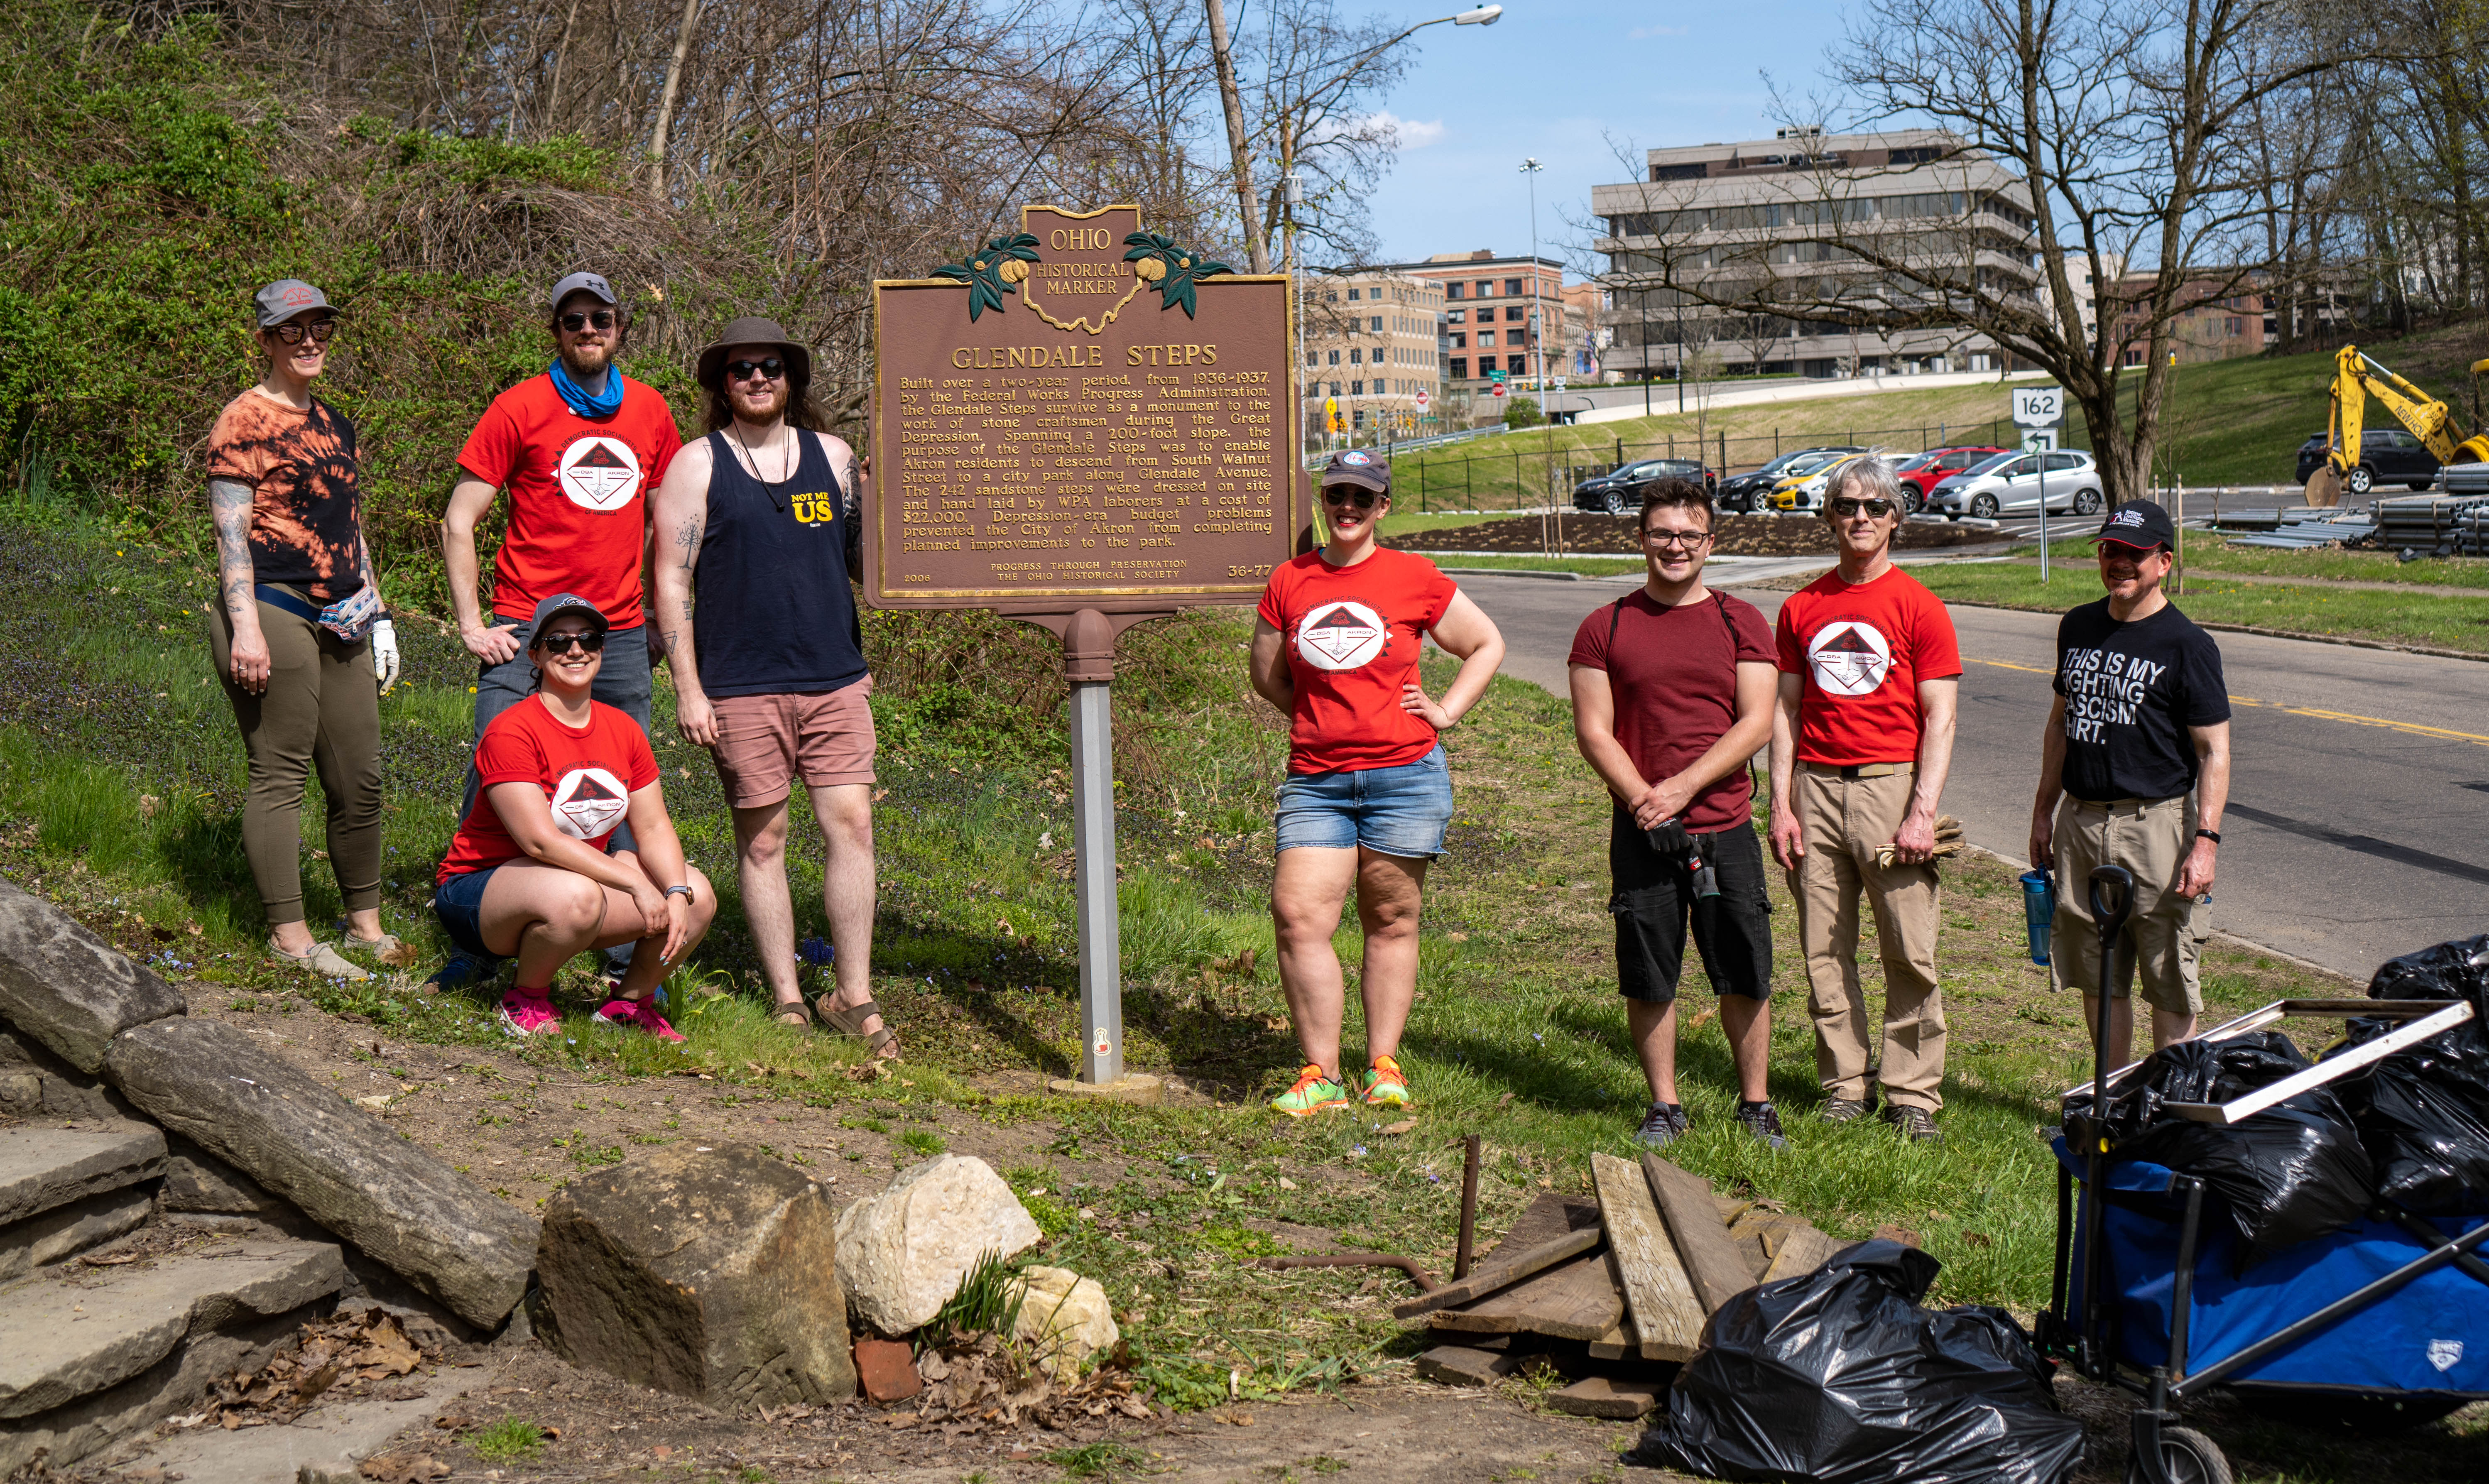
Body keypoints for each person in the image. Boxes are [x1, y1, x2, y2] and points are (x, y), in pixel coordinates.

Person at [650, 316, 896, 1058]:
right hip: (739, 684)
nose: (757, 379)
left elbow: (869, 565)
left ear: (792, 379)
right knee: (764, 841)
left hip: (834, 679)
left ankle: (852, 994)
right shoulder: (697, 465)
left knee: (851, 825)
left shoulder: (835, 457)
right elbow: (670, 578)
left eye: (770, 368)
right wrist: (688, 688)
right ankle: (788, 995)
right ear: (721, 385)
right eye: (741, 369)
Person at [438, 271, 683, 989]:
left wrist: (664, 622)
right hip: (524, 627)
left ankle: (628, 948)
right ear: (555, 329)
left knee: (624, 786)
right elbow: (459, 519)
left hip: (619, 633)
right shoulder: (519, 406)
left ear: (618, 324)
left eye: (598, 317)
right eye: (571, 319)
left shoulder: (649, 411)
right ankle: (477, 943)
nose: (586, 329)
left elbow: (671, 528)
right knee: (497, 779)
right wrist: (471, 622)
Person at [1250, 451, 1506, 1115]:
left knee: (1391, 918)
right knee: (1299, 915)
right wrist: (1320, 717)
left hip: (1405, 775)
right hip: (1317, 779)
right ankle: (1321, 1074)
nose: (1348, 508)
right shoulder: (1289, 580)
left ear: (1382, 507)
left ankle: (1383, 1066)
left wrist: (1446, 711)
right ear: (1322, 499)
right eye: (1337, 494)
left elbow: (1485, 643)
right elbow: (1269, 675)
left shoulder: (1413, 576)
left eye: (1362, 499)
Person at [1569, 480, 1783, 1149]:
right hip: (1641, 831)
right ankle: (1664, 1104)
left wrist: (1681, 788)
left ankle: (1755, 1103)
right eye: (1661, 533)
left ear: (1709, 544)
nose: (1675, 546)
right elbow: (1594, 731)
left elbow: (1755, 724)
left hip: (1724, 825)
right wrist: (1644, 800)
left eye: (1689, 535)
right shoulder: (1604, 626)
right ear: (1641, 539)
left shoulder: (1740, 620)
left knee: (1744, 967)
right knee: (1649, 969)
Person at [205, 279, 403, 981]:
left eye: (320, 327)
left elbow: (349, 524)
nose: (310, 340)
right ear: (265, 339)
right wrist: (245, 629)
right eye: (292, 330)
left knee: (361, 775)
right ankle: (289, 936)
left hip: (344, 612)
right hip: (272, 607)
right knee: (281, 769)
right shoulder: (243, 420)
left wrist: (377, 609)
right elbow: (231, 537)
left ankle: (364, 925)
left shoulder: (336, 423)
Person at [1767, 455, 1960, 1144]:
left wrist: (1918, 808)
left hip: (1888, 786)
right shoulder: (1801, 607)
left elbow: (1939, 717)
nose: (1859, 517)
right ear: (1828, 516)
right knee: (1823, 948)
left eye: (1874, 508)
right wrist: (1780, 803)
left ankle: (1911, 1091)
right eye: (1846, 505)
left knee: (1907, 947)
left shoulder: (1918, 605)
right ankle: (1845, 1085)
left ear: (1893, 519)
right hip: (1813, 787)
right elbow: (1784, 711)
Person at [433, 594, 715, 1041]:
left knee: (697, 892)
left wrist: (675, 892)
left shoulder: (623, 729)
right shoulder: (512, 729)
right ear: (536, 653)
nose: (576, 650)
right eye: (558, 642)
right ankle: (526, 999)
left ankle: (629, 1002)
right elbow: (539, 842)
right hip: (480, 891)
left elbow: (655, 826)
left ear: (603, 648)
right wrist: (637, 885)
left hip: (569, 886)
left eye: (589, 639)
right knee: (578, 894)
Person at [2029, 500, 2230, 1070]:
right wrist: (2043, 812)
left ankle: (2170, 1106)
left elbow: (2213, 749)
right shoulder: (2077, 626)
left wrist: (2206, 841)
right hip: (2080, 820)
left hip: (2156, 824)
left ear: (2163, 562)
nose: (2119, 563)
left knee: (2169, 972)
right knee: (2098, 972)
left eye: (2134, 554)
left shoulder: (2187, 645)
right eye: (2109, 550)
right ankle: (2112, 1101)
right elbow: (2059, 724)